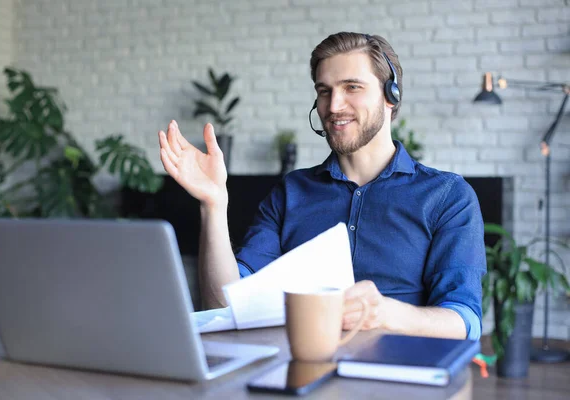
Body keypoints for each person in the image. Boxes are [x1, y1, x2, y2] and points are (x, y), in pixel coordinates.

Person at [158, 32, 486, 341]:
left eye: (352, 87)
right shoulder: (291, 192)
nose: (333, 106)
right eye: (324, 90)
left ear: (391, 96)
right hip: (300, 368)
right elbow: (224, 307)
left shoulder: (447, 196)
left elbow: (464, 322)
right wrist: (213, 204)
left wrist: (385, 313)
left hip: (398, 373)